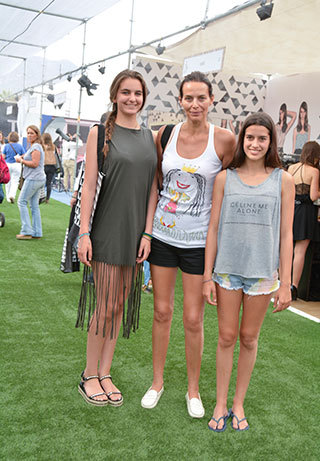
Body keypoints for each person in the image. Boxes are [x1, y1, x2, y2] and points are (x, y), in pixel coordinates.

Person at [141, 71, 236, 418]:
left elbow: (233, 185)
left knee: (194, 319)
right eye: (188, 98)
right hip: (163, 238)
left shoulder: (225, 140)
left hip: (199, 244)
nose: (194, 104)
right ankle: (157, 383)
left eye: (201, 97)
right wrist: (148, 233)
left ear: (211, 100)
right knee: (162, 311)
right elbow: (155, 186)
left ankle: (192, 391)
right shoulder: (163, 136)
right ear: (179, 101)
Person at [203, 112, 295, 432]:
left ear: (271, 142)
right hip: (226, 271)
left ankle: (238, 403)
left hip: (262, 275)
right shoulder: (224, 178)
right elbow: (213, 229)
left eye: (262, 138)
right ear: (242, 139)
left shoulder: (283, 180)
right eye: (250, 137)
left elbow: (286, 235)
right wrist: (206, 277)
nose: (255, 144)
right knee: (226, 336)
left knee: (248, 337)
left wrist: (286, 283)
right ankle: (219, 402)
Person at [76, 69, 157, 406]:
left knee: (119, 305)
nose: (131, 98)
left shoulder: (150, 136)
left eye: (137, 93)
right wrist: (83, 233)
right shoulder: (99, 132)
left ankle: (105, 372)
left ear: (143, 98)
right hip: (107, 231)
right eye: (125, 92)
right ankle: (88, 375)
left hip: (136, 234)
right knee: (105, 305)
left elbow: (153, 188)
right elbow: (90, 186)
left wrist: (148, 233)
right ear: (114, 95)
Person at [288, 141, 320, 300]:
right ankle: (294, 287)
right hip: (306, 212)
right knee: (300, 251)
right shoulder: (314, 171)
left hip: (291, 209)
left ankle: (283, 283)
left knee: (286, 248)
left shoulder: (291, 168)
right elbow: (313, 196)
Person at [15, 125, 45, 240]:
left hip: (34, 178)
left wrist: (21, 160)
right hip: (37, 178)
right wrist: (22, 157)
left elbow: (35, 163)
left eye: (32, 133)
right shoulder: (34, 146)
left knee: (21, 202)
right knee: (34, 206)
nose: (29, 135)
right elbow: (31, 158)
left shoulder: (36, 146)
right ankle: (37, 232)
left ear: (37, 134)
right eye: (28, 133)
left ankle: (27, 230)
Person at [2, 131, 25, 203]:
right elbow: (24, 155)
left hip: (8, 164)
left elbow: (3, 156)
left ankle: (8, 197)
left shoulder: (6, 146)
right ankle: (12, 195)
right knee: (15, 181)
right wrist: (19, 157)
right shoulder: (20, 146)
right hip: (17, 164)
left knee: (7, 181)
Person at [42, 132, 57, 203]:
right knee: (49, 183)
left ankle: (41, 196)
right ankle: (47, 199)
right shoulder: (54, 146)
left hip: (45, 165)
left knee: (41, 181)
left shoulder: (43, 146)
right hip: (52, 166)